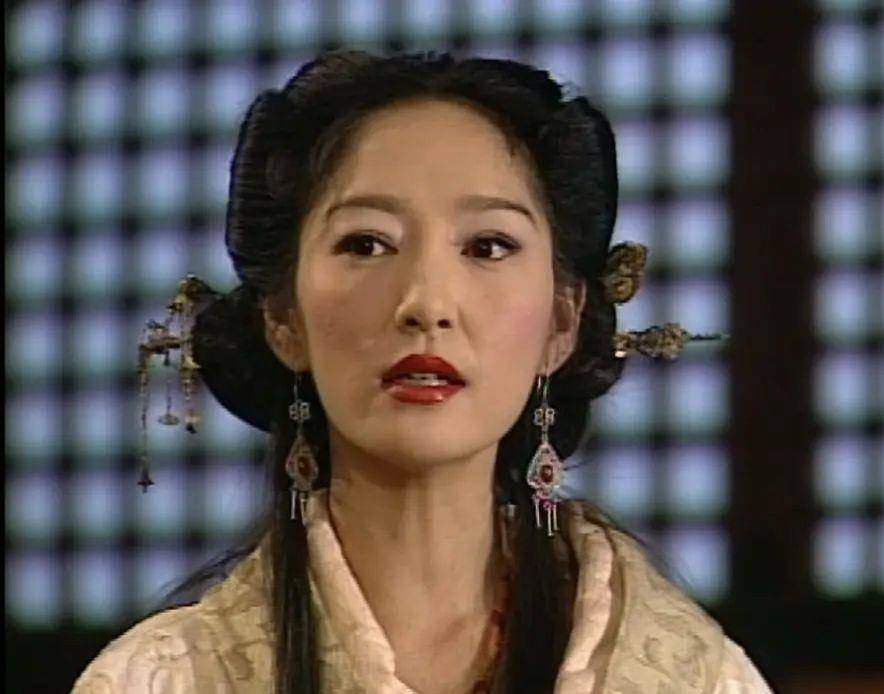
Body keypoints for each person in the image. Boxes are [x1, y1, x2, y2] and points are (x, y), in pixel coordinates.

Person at [71, 49, 773, 693]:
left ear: (561, 322)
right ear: (283, 319)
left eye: (489, 246)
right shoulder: (162, 680)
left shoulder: (693, 677)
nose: (426, 304)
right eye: (367, 244)